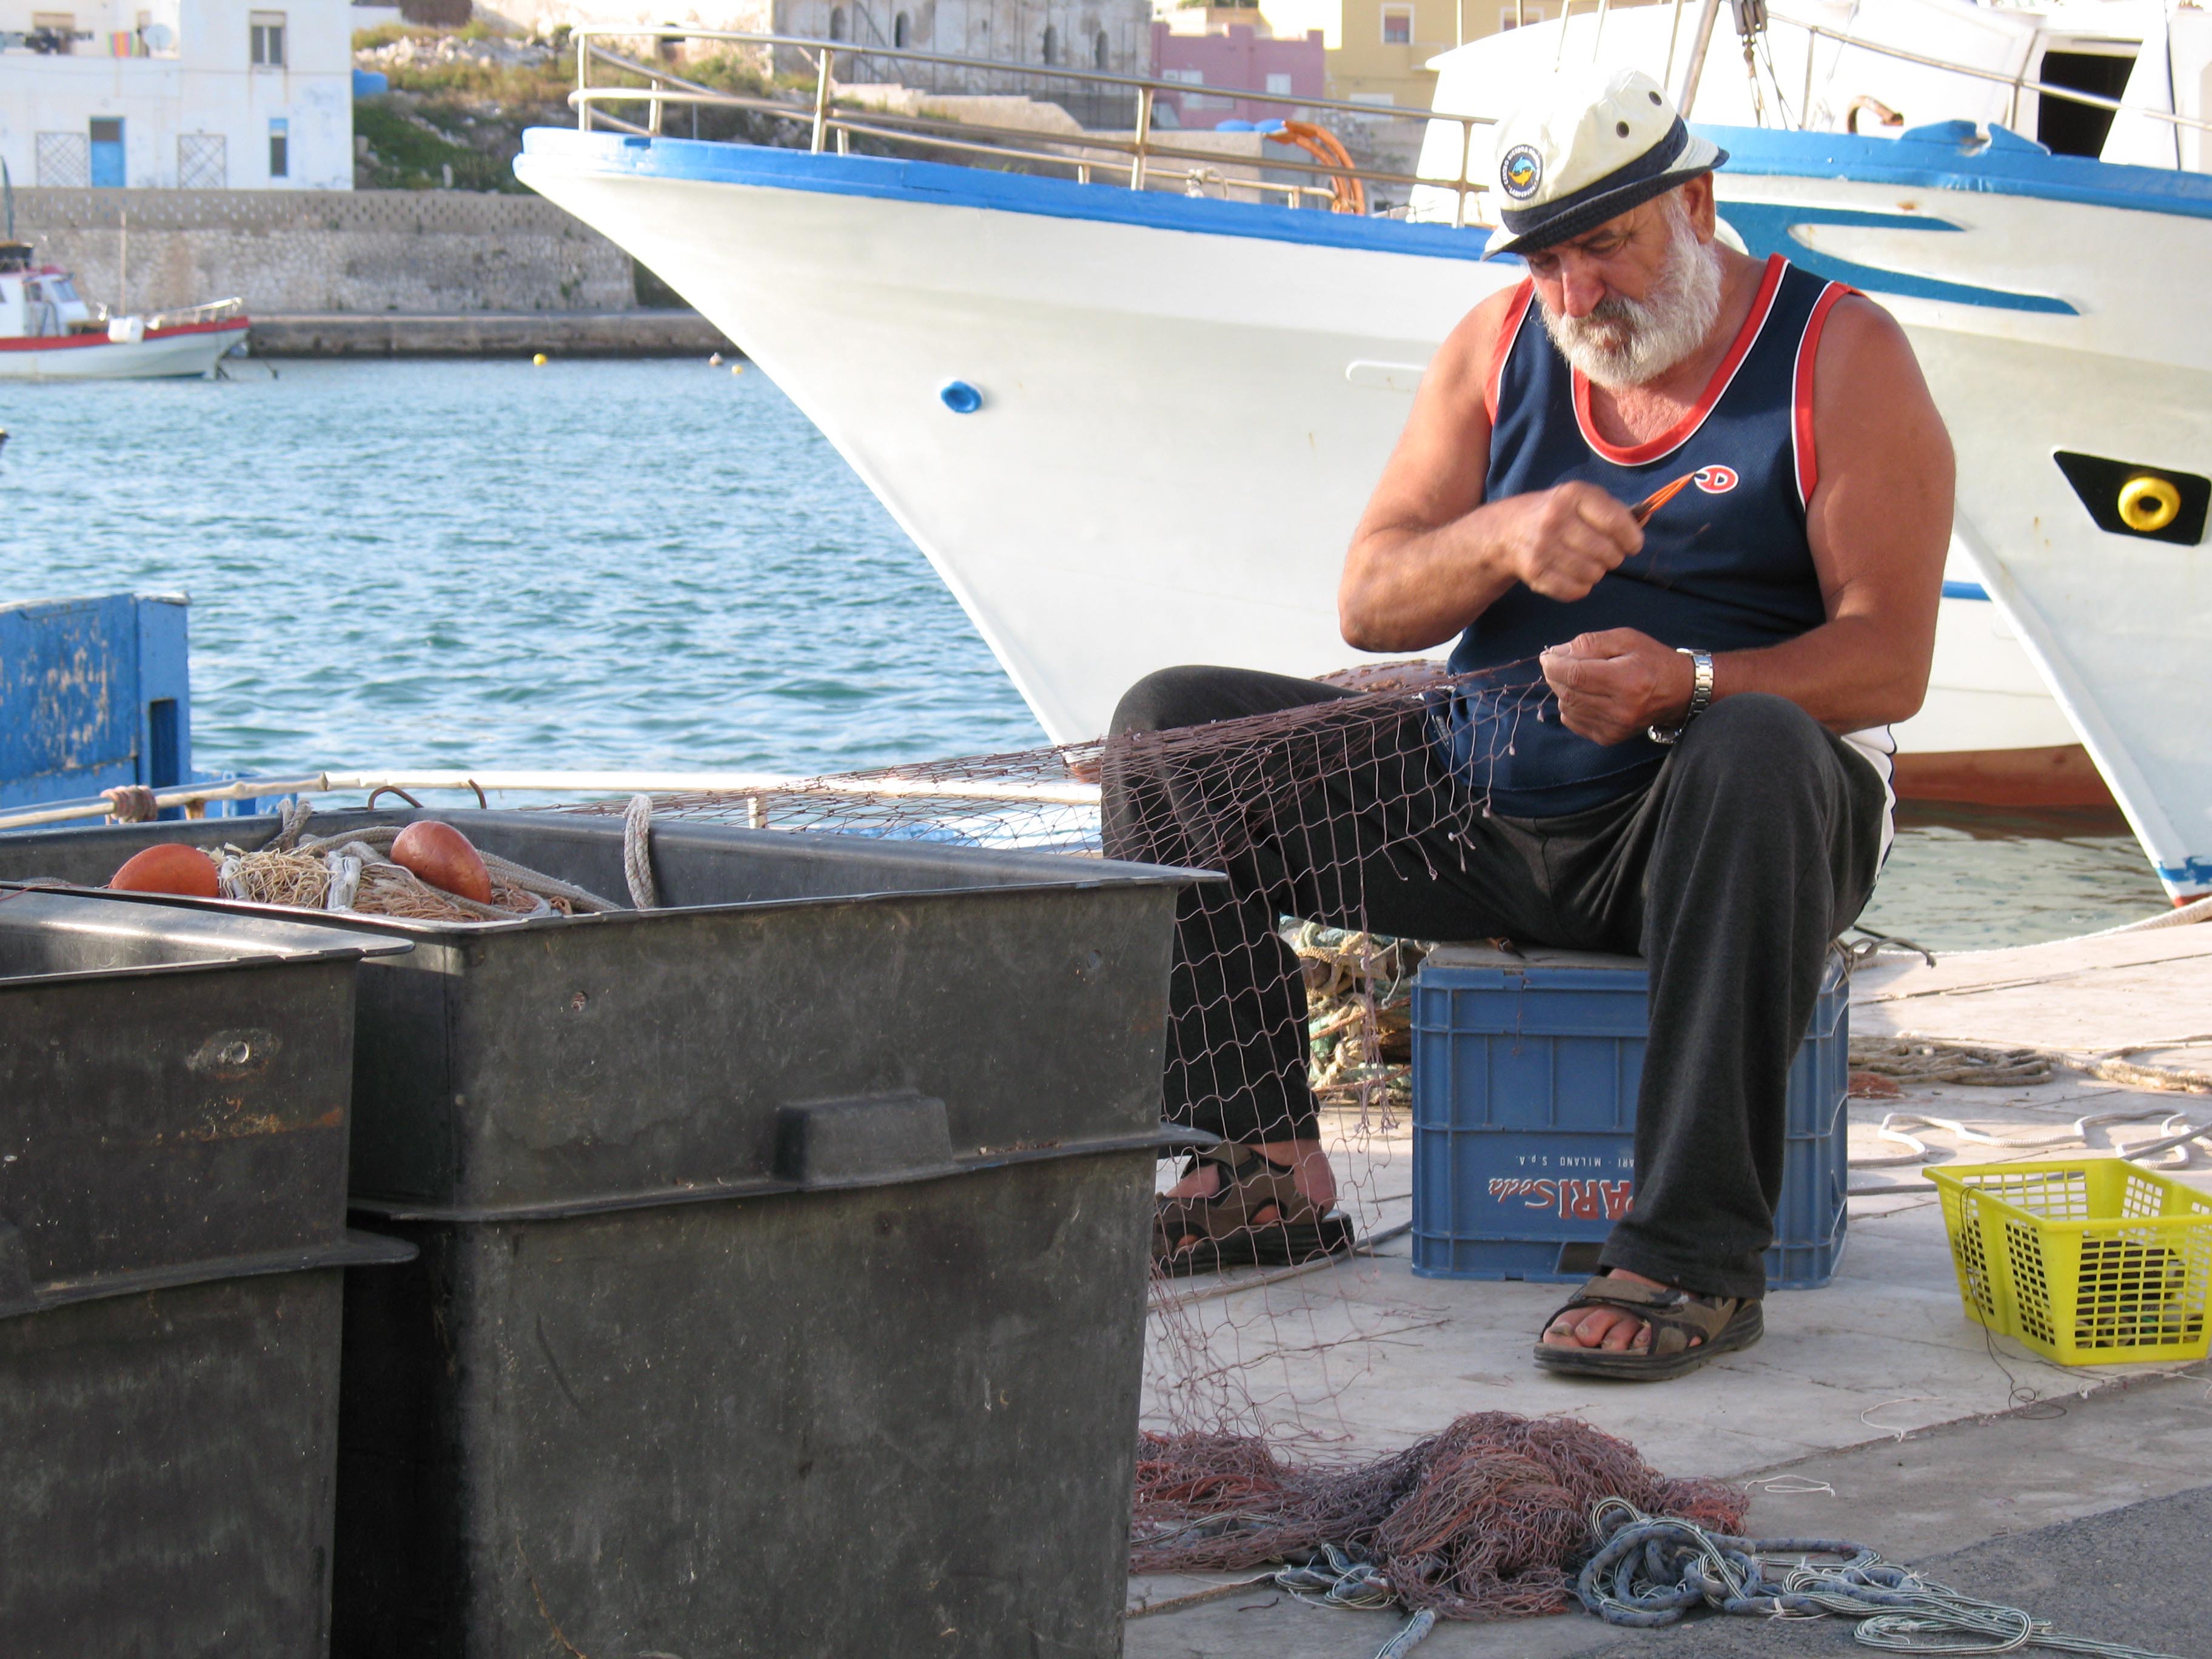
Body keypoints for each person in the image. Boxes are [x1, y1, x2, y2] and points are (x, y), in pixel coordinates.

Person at [1105, 65, 1951, 1380]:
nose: (1580, 298)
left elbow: (1890, 661)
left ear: (1698, 202)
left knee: (1759, 746)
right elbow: (1371, 602)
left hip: (1712, 833)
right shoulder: (1500, 345)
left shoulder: (1840, 352)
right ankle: (1257, 1166)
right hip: (1480, 811)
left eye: (1605, 245)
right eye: (1549, 261)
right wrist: (1502, 536)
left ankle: (1692, 1256)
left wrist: (1693, 683)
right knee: (1170, 734)